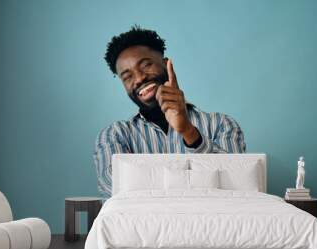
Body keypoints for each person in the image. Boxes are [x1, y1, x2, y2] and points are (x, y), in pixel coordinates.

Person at [94, 26, 246, 197]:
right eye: (127, 77)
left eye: (146, 65)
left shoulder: (221, 125)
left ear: (166, 65)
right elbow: (115, 188)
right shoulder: (115, 135)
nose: (139, 78)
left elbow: (237, 186)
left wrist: (188, 131)